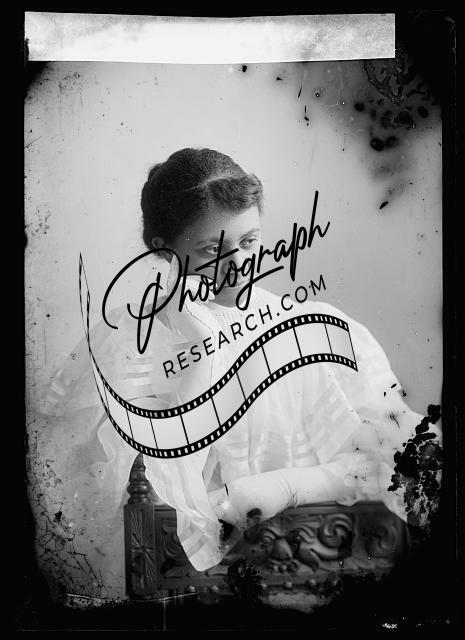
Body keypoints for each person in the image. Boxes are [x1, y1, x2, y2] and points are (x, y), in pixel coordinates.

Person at [35, 147, 440, 600]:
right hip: (194, 599)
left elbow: (406, 463)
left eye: (250, 242)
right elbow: (138, 515)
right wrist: (201, 357)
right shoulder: (125, 343)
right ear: (163, 248)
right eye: (212, 249)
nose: (239, 265)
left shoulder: (318, 328)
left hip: (325, 580)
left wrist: (283, 487)